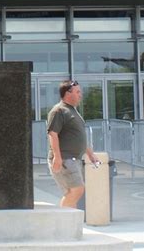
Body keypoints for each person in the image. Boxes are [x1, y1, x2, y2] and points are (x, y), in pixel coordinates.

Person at [47, 80, 100, 208]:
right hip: (65, 159)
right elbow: (52, 134)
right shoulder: (59, 111)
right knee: (76, 190)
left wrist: (91, 155)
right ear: (67, 93)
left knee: (73, 193)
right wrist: (57, 157)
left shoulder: (73, 111)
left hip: (73, 160)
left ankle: (69, 224)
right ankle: (62, 224)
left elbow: (79, 136)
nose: (80, 95)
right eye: (77, 92)